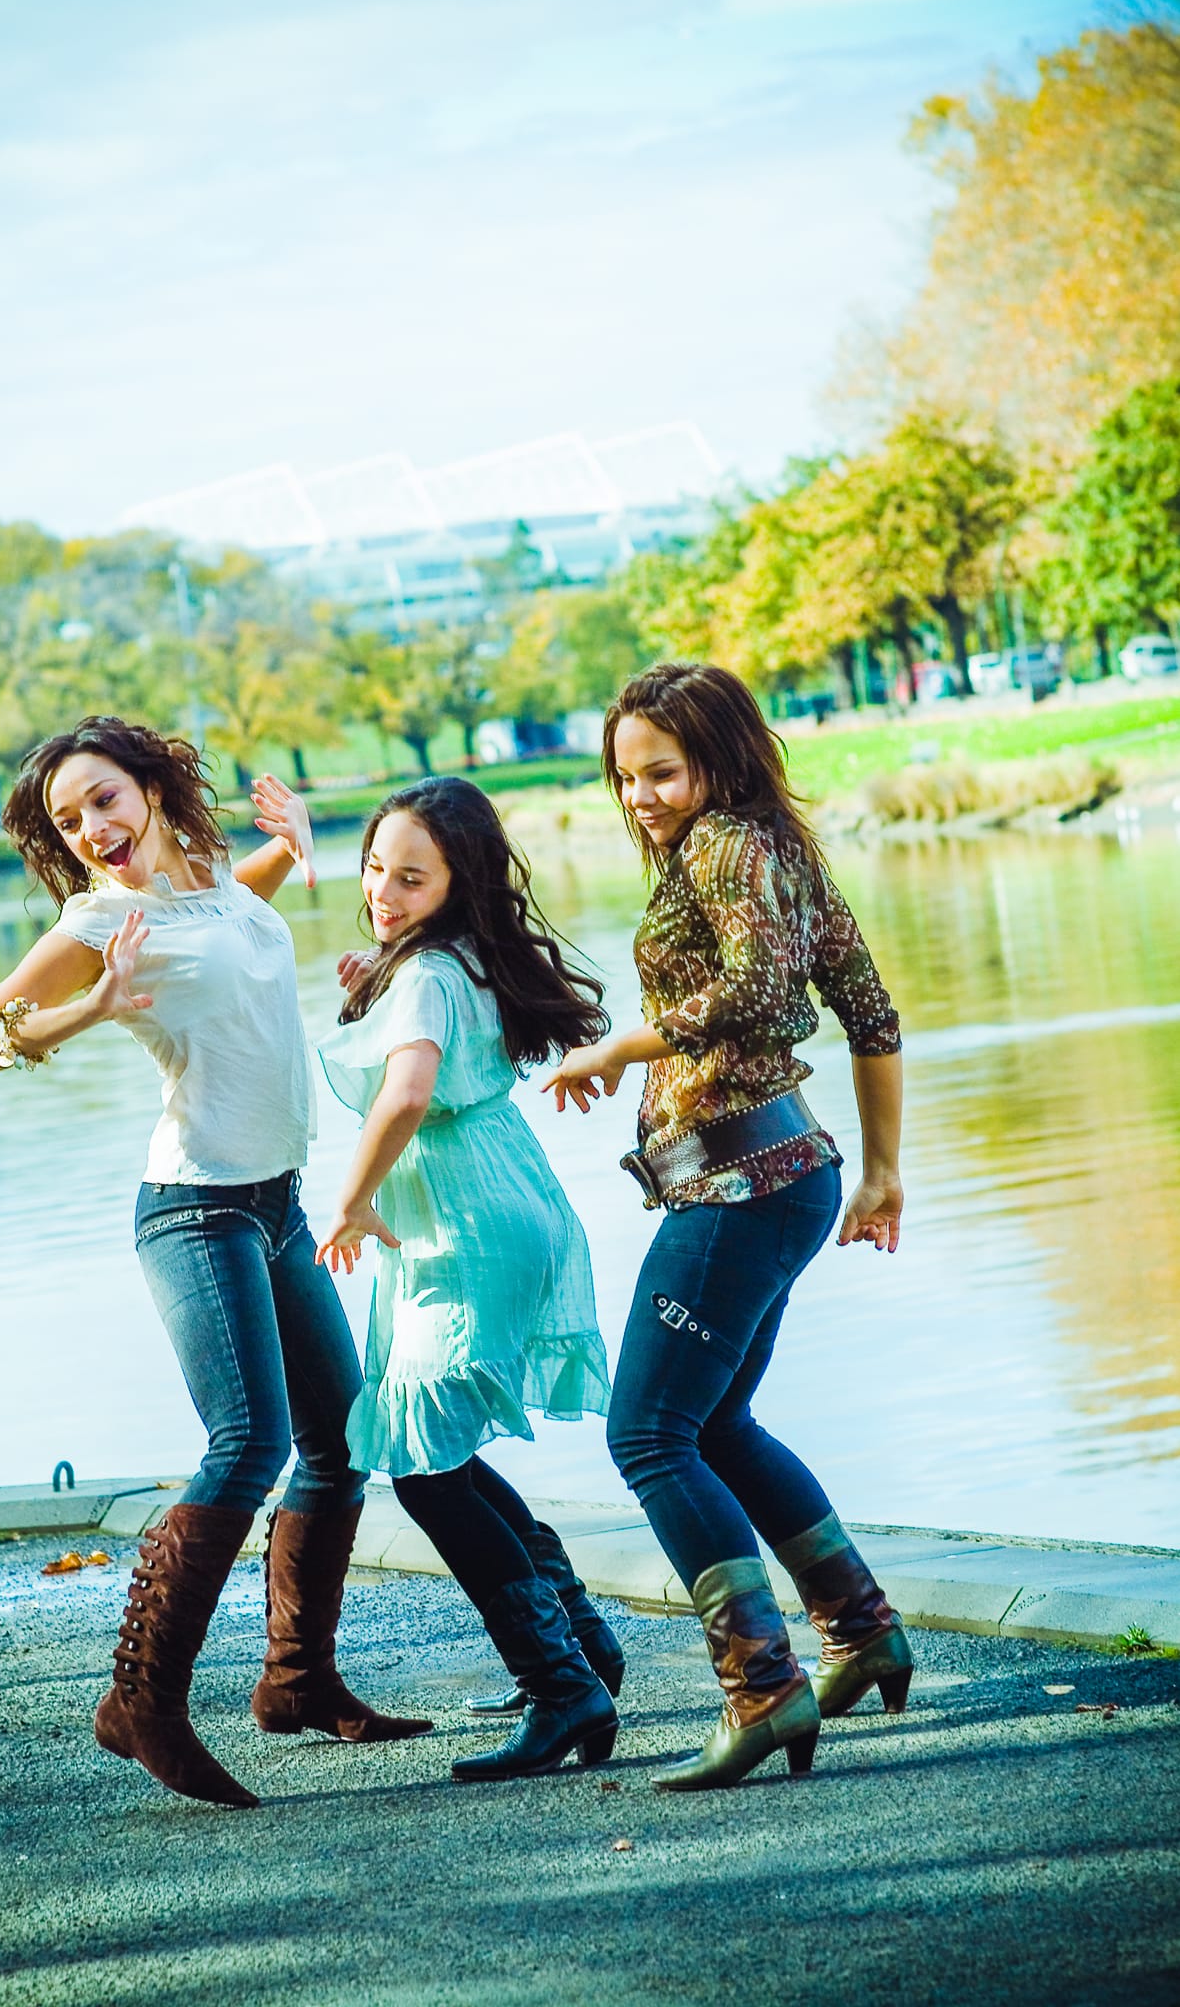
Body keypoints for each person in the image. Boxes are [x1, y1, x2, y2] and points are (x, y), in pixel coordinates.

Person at [0, 716, 429, 1811]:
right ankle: (142, 1699)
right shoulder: (97, 917)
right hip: (194, 1208)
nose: (93, 829)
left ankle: (297, 1679)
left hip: (277, 1203)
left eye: (105, 799)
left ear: (152, 789)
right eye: (70, 820)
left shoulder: (207, 876)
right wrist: (89, 1006)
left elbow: (226, 913)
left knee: (339, 1439)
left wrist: (295, 846)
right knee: (248, 1440)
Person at [543, 663, 912, 1792]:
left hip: (739, 1181)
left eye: (661, 770)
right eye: (625, 775)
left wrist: (623, 1045)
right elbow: (872, 1012)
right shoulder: (779, 848)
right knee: (720, 1422)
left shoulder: (724, 847)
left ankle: (761, 1688)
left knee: (648, 1433)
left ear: (722, 757)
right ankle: (860, 1631)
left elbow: (763, 996)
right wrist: (882, 1168)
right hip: (788, 1170)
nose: (642, 794)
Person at [313, 776, 624, 1782]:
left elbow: (406, 1093)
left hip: (465, 1224)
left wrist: (353, 1198)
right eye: (374, 868)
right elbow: (421, 1057)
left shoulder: (429, 973)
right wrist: (379, 981)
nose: (383, 890)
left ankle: (560, 1678)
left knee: (421, 1459)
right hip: (500, 1196)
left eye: (411, 876)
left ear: (457, 879)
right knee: (435, 1447)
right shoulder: (457, 959)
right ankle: (580, 1650)